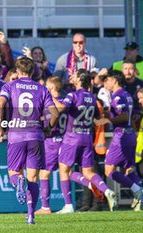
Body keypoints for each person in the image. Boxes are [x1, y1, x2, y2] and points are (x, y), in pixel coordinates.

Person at [0, 57, 59, 224]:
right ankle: (31, 215)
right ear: (33, 72)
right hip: (35, 135)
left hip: (16, 135)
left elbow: (0, 104)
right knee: (33, 178)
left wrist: (0, 128)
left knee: (14, 175)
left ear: (17, 71)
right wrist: (48, 127)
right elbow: (55, 113)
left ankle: (19, 182)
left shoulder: (9, 86)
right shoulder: (42, 89)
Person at [53, 69, 117, 213]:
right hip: (87, 137)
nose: (71, 77)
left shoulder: (73, 95)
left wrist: (50, 97)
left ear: (80, 79)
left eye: (74, 75)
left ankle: (68, 206)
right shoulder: (92, 97)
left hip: (72, 137)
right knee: (88, 172)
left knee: (64, 170)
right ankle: (106, 191)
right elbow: (97, 117)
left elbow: (62, 108)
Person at [94, 70, 143, 210]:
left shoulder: (117, 96)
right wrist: (108, 113)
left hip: (121, 136)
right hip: (130, 135)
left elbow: (124, 116)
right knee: (129, 169)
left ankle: (136, 189)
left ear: (115, 81)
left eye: (108, 80)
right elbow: (130, 114)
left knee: (108, 171)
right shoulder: (127, 95)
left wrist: (108, 119)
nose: (106, 83)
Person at [34, 76, 66, 215]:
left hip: (51, 141)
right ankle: (69, 205)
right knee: (66, 172)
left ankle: (45, 207)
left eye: (47, 86)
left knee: (44, 174)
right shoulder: (65, 102)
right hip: (64, 139)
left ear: (51, 88)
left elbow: (49, 118)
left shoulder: (51, 104)